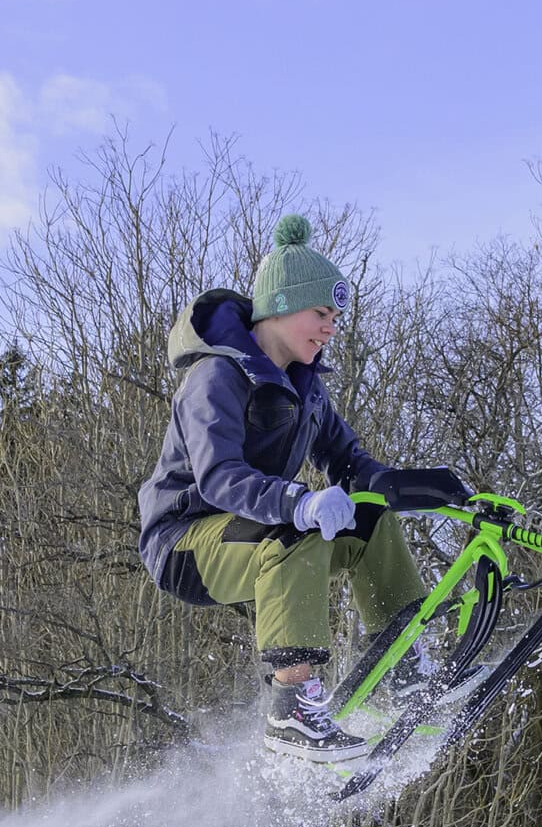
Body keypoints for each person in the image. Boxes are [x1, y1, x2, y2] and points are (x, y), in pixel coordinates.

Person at [138, 214, 480, 762]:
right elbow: (218, 476)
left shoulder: (306, 389)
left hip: (255, 535)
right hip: (183, 544)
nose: (331, 328)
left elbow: (348, 460)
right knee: (294, 528)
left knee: (368, 519)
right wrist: (299, 501)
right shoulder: (215, 377)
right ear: (280, 306)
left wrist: (421, 489)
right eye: (322, 313)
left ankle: (404, 667)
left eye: (336, 317)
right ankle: (291, 705)